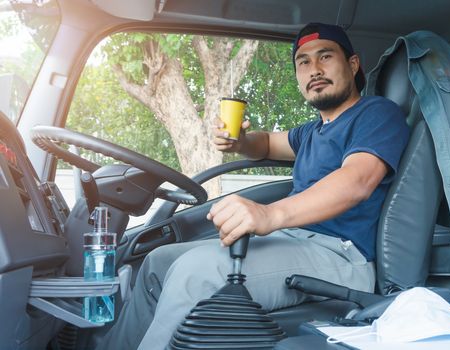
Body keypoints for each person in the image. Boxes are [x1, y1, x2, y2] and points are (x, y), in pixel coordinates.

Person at [97, 22, 409, 350]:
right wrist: (240, 141)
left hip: (342, 256)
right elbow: (266, 144)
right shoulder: (312, 132)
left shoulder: (376, 114)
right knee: (158, 261)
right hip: (294, 241)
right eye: (303, 62)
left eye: (325, 57)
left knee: (196, 273)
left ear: (353, 64)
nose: (314, 69)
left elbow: (356, 181)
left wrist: (270, 214)